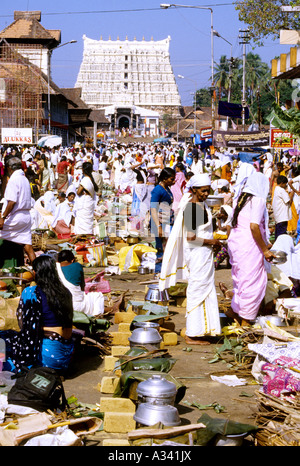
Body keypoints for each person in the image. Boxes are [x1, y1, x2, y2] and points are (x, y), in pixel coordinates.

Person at [159, 173, 223, 345]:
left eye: (208, 191)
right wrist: (212, 241)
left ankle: (204, 330)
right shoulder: (192, 208)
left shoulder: (202, 205)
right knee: (197, 289)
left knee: (206, 287)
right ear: (194, 190)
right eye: (203, 191)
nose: (206, 194)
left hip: (204, 252)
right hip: (197, 252)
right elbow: (191, 237)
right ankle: (192, 333)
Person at [0, 255, 74, 373]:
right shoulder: (66, 292)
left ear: (35, 272)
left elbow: (24, 325)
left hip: (48, 360)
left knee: (4, 341)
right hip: (66, 356)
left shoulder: (31, 293)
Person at [225, 172, 276, 325]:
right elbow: (254, 226)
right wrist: (265, 250)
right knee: (252, 283)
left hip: (237, 244)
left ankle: (234, 311)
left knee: (241, 281)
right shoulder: (258, 200)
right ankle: (246, 320)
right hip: (249, 245)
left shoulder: (241, 199)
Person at [57, 249, 126, 317]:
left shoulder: (54, 268)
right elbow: (82, 287)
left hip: (60, 307)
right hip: (76, 306)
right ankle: (99, 314)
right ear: (72, 260)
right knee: (97, 296)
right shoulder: (77, 266)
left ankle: (110, 310)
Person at [0, 157, 36, 264]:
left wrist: (2, 217)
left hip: (16, 218)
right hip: (26, 217)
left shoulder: (13, 180)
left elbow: (11, 202)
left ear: (10, 168)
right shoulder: (24, 179)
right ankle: (38, 273)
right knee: (28, 248)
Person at [150, 168, 175, 277]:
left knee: (168, 247)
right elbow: (153, 209)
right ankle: (158, 272)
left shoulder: (167, 189)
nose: (173, 182)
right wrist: (158, 226)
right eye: (171, 179)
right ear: (165, 179)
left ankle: (166, 271)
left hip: (168, 220)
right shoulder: (157, 190)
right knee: (161, 248)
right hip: (160, 222)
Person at [73, 162, 98, 235]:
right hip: (89, 202)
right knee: (87, 221)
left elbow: (78, 192)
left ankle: (82, 235)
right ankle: (87, 234)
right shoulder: (90, 179)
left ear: (83, 170)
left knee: (82, 221)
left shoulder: (85, 179)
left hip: (85, 203)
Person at [272, 175, 294, 240]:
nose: (286, 185)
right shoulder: (281, 190)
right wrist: (292, 193)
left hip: (279, 216)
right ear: (282, 183)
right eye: (285, 184)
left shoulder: (276, 189)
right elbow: (288, 200)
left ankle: (277, 245)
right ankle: (280, 247)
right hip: (282, 216)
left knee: (278, 232)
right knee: (281, 233)